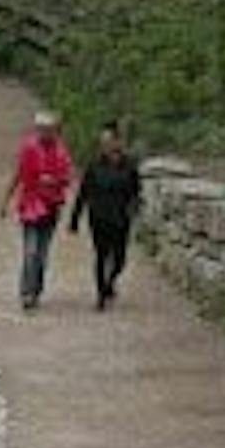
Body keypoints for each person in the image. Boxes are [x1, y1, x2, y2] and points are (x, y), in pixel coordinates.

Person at [0, 111, 74, 311]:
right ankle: (26, 292)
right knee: (30, 251)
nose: (44, 133)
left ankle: (36, 290)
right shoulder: (29, 148)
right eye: (41, 129)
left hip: (50, 208)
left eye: (48, 130)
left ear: (55, 131)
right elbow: (18, 174)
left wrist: (54, 180)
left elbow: (68, 178)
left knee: (42, 253)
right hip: (31, 207)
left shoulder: (61, 152)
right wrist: (6, 200)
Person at [71, 121, 144, 311]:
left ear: (119, 142)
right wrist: (75, 219)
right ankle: (100, 294)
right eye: (103, 141)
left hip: (121, 218)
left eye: (110, 140)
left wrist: (135, 208)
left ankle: (110, 281)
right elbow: (83, 192)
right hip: (99, 217)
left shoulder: (129, 166)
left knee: (120, 259)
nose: (106, 145)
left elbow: (137, 192)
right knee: (101, 255)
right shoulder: (94, 165)